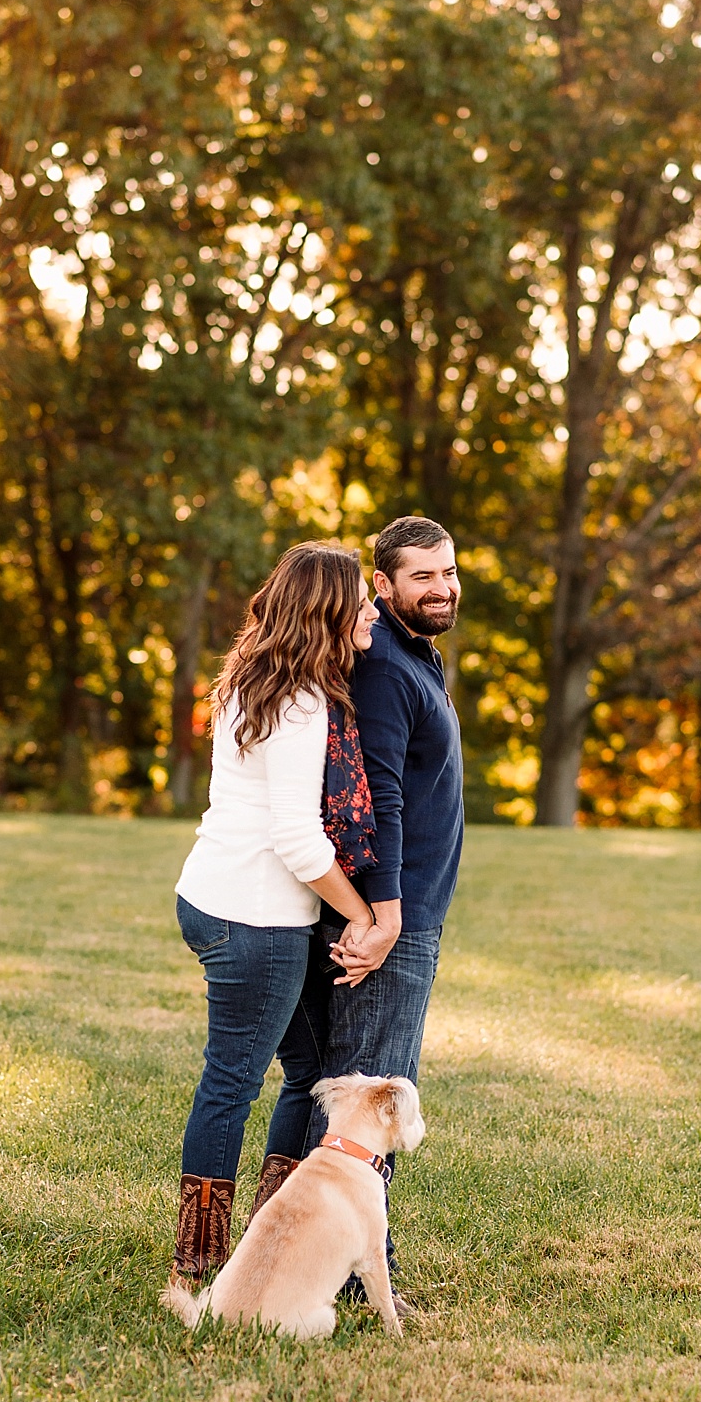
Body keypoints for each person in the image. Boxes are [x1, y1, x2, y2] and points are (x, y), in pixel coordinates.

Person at [256, 515, 465, 1311]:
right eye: (421, 576)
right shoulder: (381, 666)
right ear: (382, 584)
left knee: (356, 1091)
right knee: (369, 1100)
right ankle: (343, 1280)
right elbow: (371, 796)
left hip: (406, 912)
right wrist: (384, 914)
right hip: (390, 917)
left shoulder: (413, 655)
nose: (441, 587)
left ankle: (304, 1262)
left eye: (447, 571)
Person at [166, 541, 383, 1284]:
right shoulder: (301, 703)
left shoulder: (254, 678)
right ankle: (198, 1267)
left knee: (308, 1069)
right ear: (328, 610)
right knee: (234, 1079)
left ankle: (269, 1239)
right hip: (254, 917)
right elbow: (297, 836)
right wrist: (360, 914)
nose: (372, 610)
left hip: (214, 897)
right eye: (360, 598)